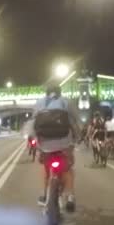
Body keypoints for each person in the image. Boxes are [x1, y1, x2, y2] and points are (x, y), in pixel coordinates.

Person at [32, 83, 81, 212]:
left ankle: (43, 195)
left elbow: (33, 123)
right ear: (59, 92)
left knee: (45, 166)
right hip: (64, 142)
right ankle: (70, 197)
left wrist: (35, 139)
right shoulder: (66, 102)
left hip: (45, 143)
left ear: (46, 93)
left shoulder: (39, 103)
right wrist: (78, 137)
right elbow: (76, 120)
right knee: (68, 168)